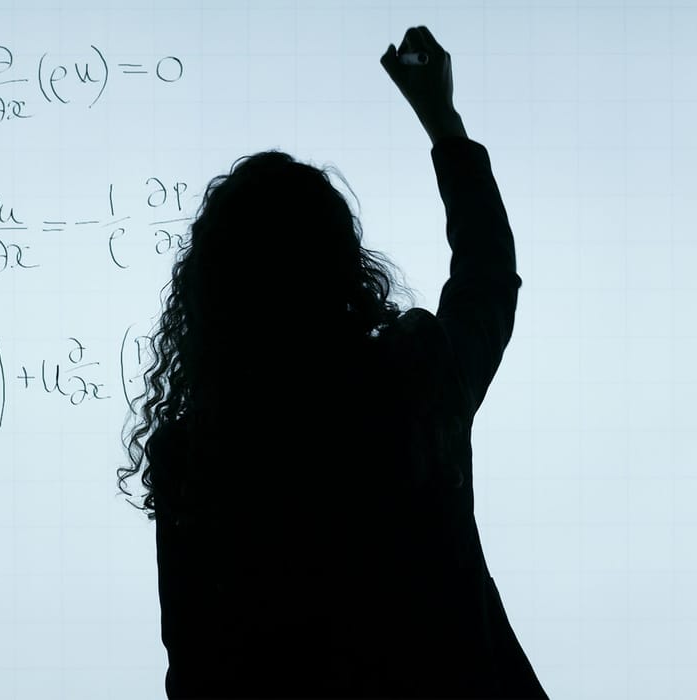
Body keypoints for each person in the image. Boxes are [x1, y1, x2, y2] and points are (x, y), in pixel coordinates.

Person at [117, 25, 549, 699]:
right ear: (345, 271)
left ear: (212, 295)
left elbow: (199, 671)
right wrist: (442, 120)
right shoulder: (413, 382)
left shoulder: (196, 457)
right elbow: (488, 278)